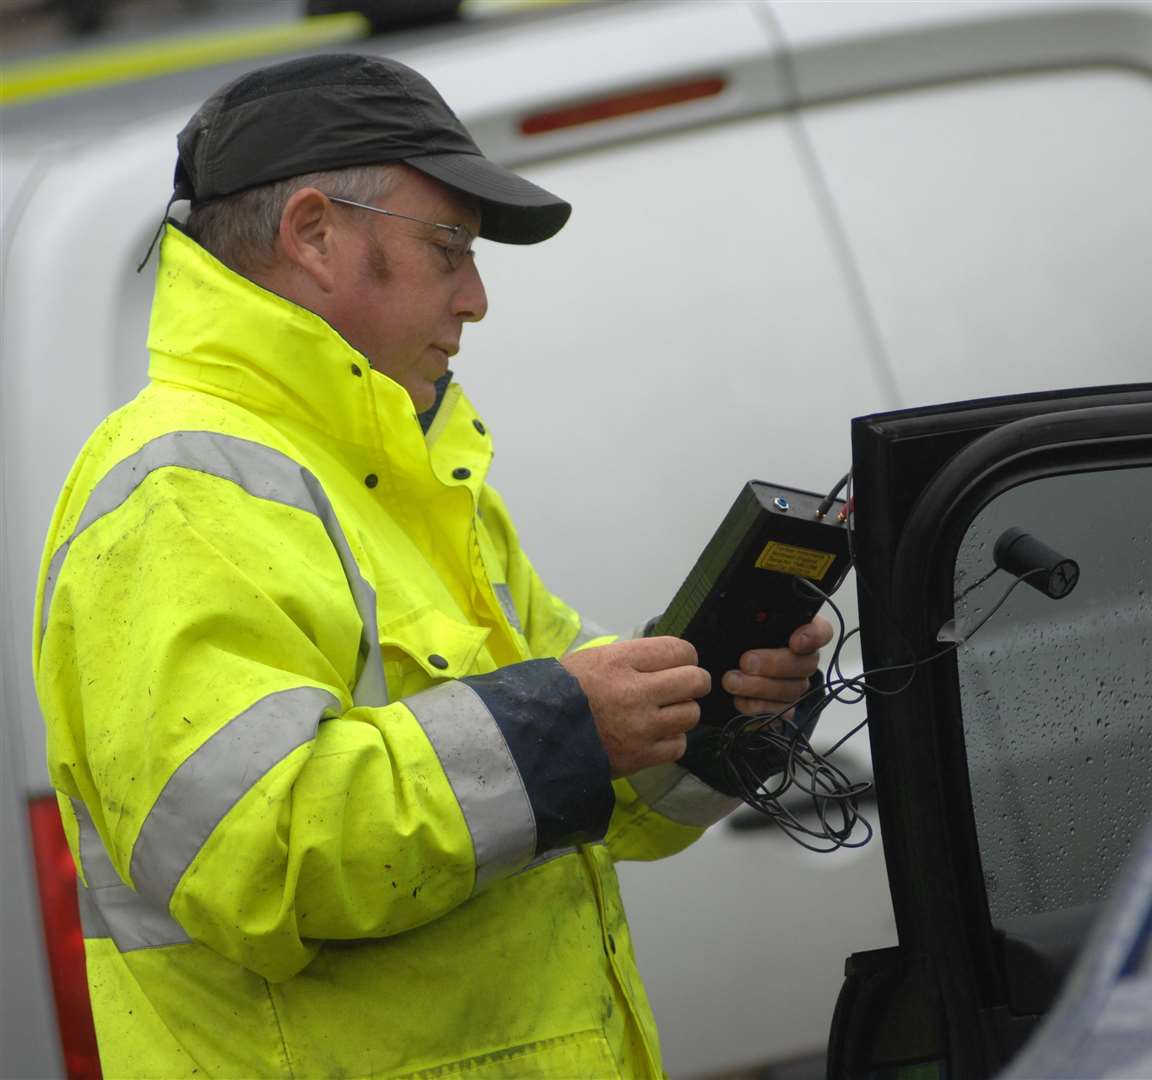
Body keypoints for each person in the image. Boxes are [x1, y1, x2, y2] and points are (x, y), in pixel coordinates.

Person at [32, 53, 832, 1078]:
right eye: (449, 248)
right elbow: (251, 856)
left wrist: (719, 706)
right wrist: (565, 727)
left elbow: (598, 782)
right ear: (313, 233)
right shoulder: (179, 492)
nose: (479, 298)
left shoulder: (406, 465)